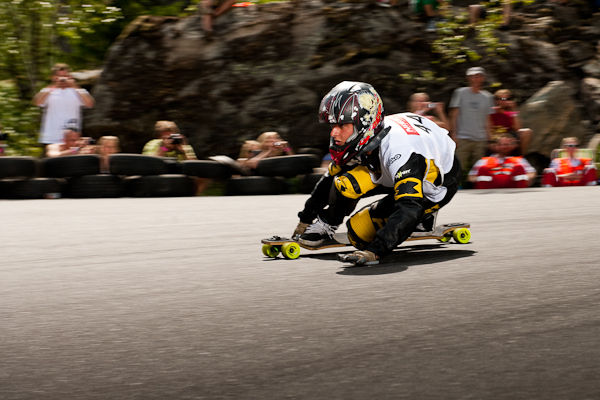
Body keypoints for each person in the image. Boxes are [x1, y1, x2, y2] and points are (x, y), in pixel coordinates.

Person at [292, 81, 460, 266]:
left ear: (364, 124)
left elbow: (409, 207)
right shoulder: (365, 134)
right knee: (345, 183)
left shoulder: (401, 151)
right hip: (396, 160)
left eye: (342, 125)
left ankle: (426, 216)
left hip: (436, 183)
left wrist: (375, 251)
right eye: (332, 125)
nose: (334, 133)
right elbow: (328, 180)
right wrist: (305, 219)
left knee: (358, 233)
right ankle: (327, 224)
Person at [32, 63, 95, 153]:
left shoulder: (78, 91)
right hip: (51, 137)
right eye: (59, 76)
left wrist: (75, 86)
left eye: (65, 76)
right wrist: (53, 86)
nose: (63, 79)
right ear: (53, 77)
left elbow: (90, 104)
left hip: (72, 139)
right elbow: (37, 102)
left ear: (70, 76)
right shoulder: (48, 91)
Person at [449, 66, 494, 184]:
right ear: (468, 78)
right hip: (463, 137)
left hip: (481, 138)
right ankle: (454, 188)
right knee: (458, 166)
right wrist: (454, 134)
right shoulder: (460, 93)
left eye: (478, 76)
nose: (476, 79)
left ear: (483, 78)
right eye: (473, 76)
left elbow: (488, 118)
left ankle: (478, 188)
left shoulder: (488, 96)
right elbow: (454, 114)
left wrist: (490, 138)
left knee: (479, 169)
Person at [468, 135, 536, 189]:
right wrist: (480, 179)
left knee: (519, 167)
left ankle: (521, 195)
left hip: (513, 185)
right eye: (500, 144)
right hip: (490, 186)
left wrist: (527, 178)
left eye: (506, 144)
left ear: (511, 146)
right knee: (483, 168)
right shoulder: (484, 161)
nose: (503, 147)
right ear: (495, 146)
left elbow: (532, 173)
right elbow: (471, 177)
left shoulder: (519, 160)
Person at [490, 89, 533, 155]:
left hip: (509, 135)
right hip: (496, 135)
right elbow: (489, 128)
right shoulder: (491, 111)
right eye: (502, 99)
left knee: (527, 131)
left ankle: (521, 157)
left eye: (507, 99)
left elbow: (518, 128)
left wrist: (514, 110)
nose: (504, 101)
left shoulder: (511, 112)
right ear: (496, 100)